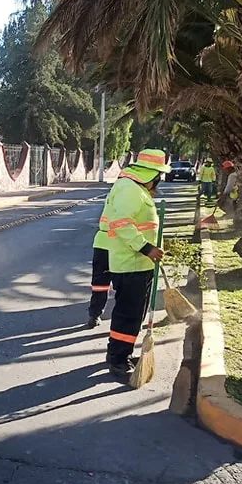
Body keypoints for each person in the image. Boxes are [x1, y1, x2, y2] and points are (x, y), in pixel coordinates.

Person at [105, 149, 169, 377]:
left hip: (140, 264)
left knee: (133, 314)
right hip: (131, 263)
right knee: (128, 314)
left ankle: (120, 352)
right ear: (151, 175)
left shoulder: (137, 190)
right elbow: (122, 224)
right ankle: (118, 360)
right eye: (158, 176)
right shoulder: (129, 189)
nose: (159, 181)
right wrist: (147, 248)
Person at [87, 181, 117, 328]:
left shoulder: (114, 192)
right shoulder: (133, 195)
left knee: (100, 283)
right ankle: (121, 321)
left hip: (102, 242)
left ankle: (94, 314)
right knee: (125, 285)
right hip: (120, 246)